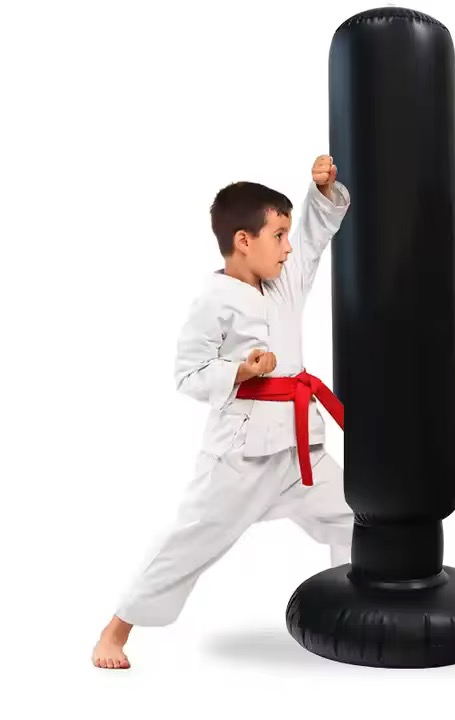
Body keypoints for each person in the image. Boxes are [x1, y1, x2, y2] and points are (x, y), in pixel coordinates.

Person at [92, 155, 354, 669]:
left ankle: (352, 605)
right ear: (243, 240)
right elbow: (187, 373)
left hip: (298, 451)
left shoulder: (285, 281)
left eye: (286, 235)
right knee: (191, 540)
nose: (287, 246)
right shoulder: (213, 300)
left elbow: (313, 236)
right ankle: (115, 630)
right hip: (241, 457)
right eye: (278, 235)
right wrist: (241, 370)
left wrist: (321, 192)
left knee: (354, 515)